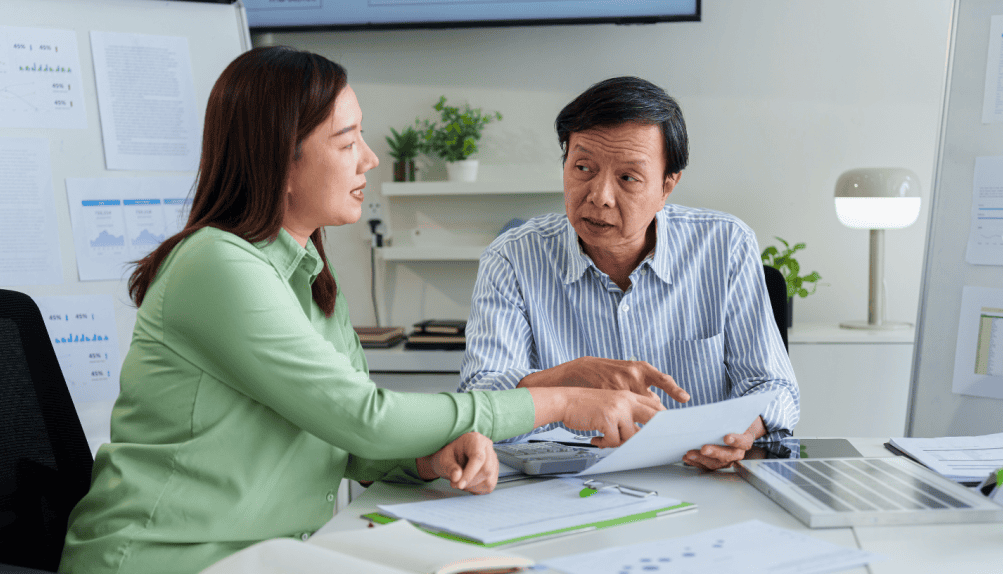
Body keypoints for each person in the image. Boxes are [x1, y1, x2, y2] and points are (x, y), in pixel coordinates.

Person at [58, 49, 667, 574]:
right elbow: (364, 418)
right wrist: (560, 402)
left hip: (268, 555)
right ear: (281, 159)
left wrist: (427, 457)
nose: (369, 159)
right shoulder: (216, 265)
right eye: (347, 142)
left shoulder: (306, 273)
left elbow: (347, 441)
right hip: (168, 560)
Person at [459, 76, 799, 471]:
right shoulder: (513, 257)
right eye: (583, 167)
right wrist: (569, 377)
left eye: (628, 178)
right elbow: (478, 401)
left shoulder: (725, 246)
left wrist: (743, 432)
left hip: (696, 477)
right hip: (563, 484)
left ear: (666, 186)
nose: (599, 196)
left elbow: (774, 388)